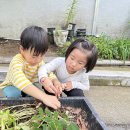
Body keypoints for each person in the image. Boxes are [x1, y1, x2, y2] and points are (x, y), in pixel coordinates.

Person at [0, 26, 60, 109]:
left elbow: (48, 72)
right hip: (12, 85)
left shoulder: (39, 62)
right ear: (22, 49)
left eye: (42, 55)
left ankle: (26, 96)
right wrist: (44, 96)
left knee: (35, 98)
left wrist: (55, 80)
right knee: (14, 96)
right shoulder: (17, 60)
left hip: (28, 84)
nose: (38, 60)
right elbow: (19, 79)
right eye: (34, 56)